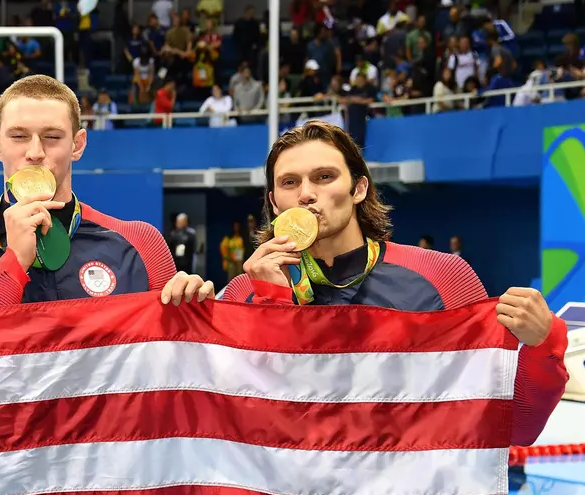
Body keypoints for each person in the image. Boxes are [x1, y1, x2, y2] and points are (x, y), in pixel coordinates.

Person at [224, 120, 567, 445]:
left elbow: (514, 427)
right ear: (274, 202)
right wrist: (266, 303)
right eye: (289, 183)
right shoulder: (244, 293)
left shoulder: (443, 277)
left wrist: (544, 343)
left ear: (359, 189)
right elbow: (243, 421)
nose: (306, 194)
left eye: (324, 176)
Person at [0, 74, 211, 309]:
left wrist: (192, 313)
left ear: (78, 145)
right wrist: (14, 262)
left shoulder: (141, 244)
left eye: (52, 137)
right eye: (18, 136)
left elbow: (171, 368)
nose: (35, 152)